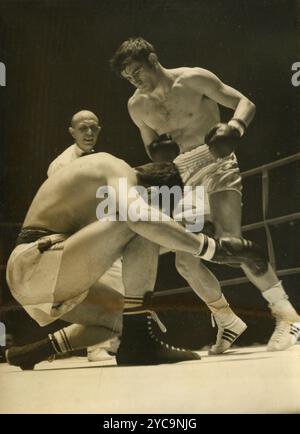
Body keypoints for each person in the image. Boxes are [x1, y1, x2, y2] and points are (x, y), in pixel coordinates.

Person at [110, 37, 300, 352]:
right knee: (186, 261)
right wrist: (158, 153)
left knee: (231, 245)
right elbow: (150, 143)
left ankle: (288, 316)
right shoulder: (136, 105)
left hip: (217, 161)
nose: (135, 81)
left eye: (137, 71)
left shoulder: (194, 78)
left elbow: (245, 103)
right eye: (129, 78)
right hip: (183, 173)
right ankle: (228, 321)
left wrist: (235, 128)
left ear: (153, 59)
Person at [5, 152, 263, 369]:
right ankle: (140, 343)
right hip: (35, 264)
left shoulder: (103, 184)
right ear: (150, 188)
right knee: (143, 220)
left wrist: (179, 240)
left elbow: (125, 248)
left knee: (119, 318)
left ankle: (37, 351)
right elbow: (140, 219)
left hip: (41, 277)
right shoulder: (116, 168)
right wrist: (213, 250)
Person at [47, 110, 119, 362]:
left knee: (118, 286)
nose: (89, 133)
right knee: (98, 289)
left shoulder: (100, 159)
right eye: (83, 128)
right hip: (79, 233)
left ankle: (111, 344)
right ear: (72, 132)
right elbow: (60, 206)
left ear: (99, 130)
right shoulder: (61, 164)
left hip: (103, 229)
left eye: (93, 128)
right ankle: (96, 348)